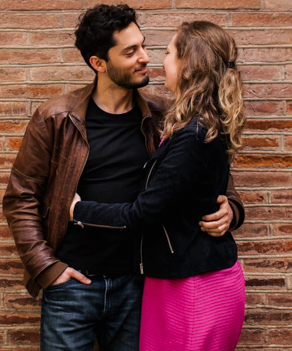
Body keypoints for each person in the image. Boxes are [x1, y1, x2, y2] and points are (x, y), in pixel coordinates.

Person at [3, 5, 245, 351]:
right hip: (72, 285)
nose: (145, 58)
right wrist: (47, 268)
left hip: (140, 284)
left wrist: (231, 209)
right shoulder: (56, 117)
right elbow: (21, 198)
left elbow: (209, 176)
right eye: (130, 52)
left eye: (144, 46)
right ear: (98, 63)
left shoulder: (165, 117)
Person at [69, 21, 247, 351]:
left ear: (189, 65)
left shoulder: (194, 135)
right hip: (173, 279)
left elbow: (143, 213)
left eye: (167, 53)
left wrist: (77, 209)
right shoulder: (188, 126)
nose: (156, 59)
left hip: (194, 284)